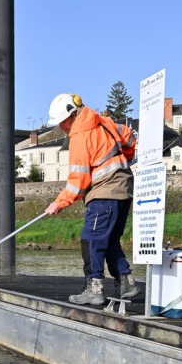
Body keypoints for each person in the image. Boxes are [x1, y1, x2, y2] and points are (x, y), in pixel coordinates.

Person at [44, 93, 140, 306]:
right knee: (110, 239)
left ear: (72, 115)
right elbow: (131, 138)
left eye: (63, 123)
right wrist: (124, 157)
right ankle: (127, 282)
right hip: (124, 189)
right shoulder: (104, 122)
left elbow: (78, 181)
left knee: (91, 238)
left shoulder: (80, 135)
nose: (62, 128)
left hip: (104, 192)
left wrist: (59, 202)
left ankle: (94, 288)